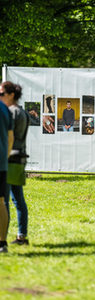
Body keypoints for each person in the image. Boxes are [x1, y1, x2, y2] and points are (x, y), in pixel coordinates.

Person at [1, 81, 30, 246]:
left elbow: (8, 136)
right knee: (17, 199)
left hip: (10, 159)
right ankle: (21, 236)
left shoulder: (11, 112)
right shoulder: (22, 112)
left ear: (11, 94)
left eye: (2, 93)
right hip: (18, 158)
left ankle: (2, 238)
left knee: (4, 200)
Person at [0, 84, 14, 253]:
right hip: (2, 162)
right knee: (1, 202)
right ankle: (2, 243)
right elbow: (11, 138)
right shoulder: (5, 110)